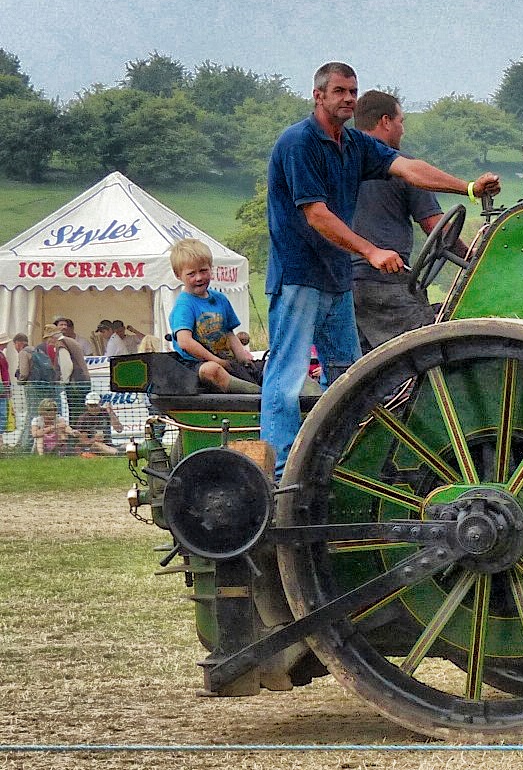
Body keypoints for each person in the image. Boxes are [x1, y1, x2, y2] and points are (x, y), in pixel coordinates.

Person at [261, 61, 498, 474]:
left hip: (337, 278)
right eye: (339, 91)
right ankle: (281, 470)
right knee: (287, 374)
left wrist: (468, 187)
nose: (348, 99)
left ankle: (343, 464)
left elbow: (407, 168)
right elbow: (316, 214)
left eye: (353, 91)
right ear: (318, 96)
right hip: (301, 274)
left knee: (347, 376)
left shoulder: (354, 144)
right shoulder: (299, 143)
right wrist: (371, 251)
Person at [350, 90, 450, 351]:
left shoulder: (341, 164)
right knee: (427, 351)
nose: (402, 130)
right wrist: (473, 254)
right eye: (400, 121)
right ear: (385, 121)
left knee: (357, 365)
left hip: (343, 284)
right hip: (385, 281)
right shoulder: (405, 168)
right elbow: (436, 227)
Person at [168, 237, 260, 394]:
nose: (199, 277)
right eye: (191, 274)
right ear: (178, 275)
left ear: (211, 268)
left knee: (264, 366)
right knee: (211, 369)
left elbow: (229, 333)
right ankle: (256, 396)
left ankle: (257, 391)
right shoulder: (184, 305)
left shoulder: (220, 299)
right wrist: (215, 360)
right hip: (194, 365)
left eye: (203, 271)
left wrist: (244, 360)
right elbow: (185, 342)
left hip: (225, 360)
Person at [47, 316, 91, 411]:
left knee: (75, 412)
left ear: (52, 337)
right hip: (83, 380)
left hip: (74, 383)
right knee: (82, 410)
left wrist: (64, 382)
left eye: (48, 339)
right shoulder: (71, 341)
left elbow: (67, 366)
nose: (49, 342)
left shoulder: (61, 343)